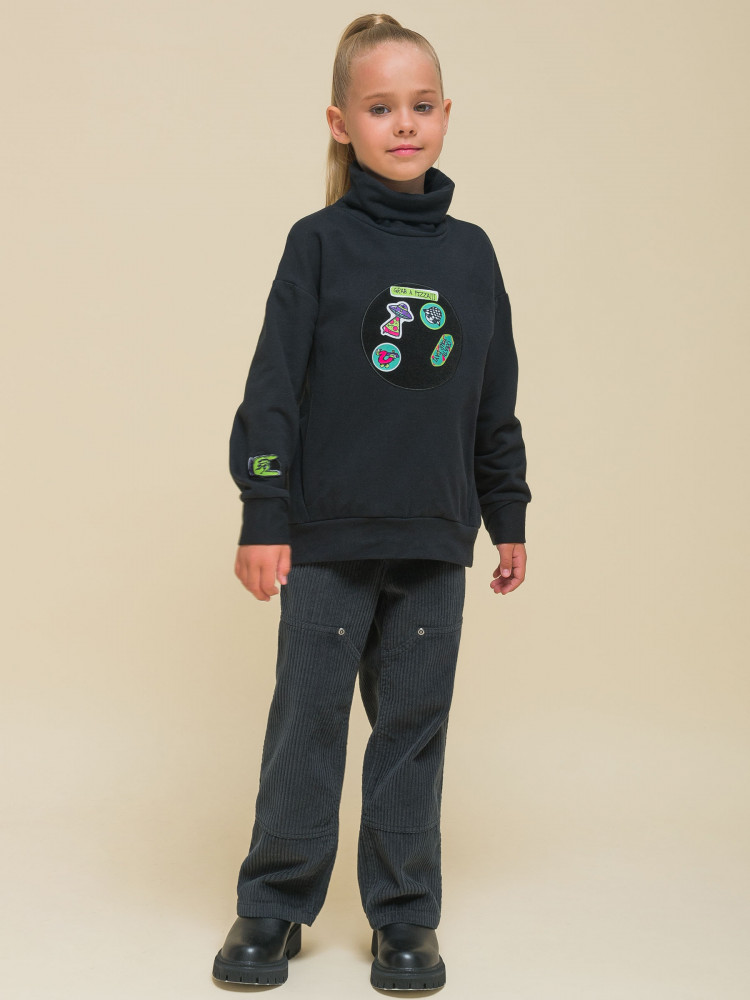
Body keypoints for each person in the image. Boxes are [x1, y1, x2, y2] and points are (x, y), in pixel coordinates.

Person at [212, 12, 531, 991]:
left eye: (421, 105)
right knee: (306, 725)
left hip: (434, 538)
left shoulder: (473, 255)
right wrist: (265, 515)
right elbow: (272, 390)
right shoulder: (318, 245)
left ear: (446, 115)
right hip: (327, 538)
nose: (404, 124)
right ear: (340, 123)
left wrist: (507, 515)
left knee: (412, 734)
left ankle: (404, 915)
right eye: (381, 107)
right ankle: (273, 902)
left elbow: (493, 399)